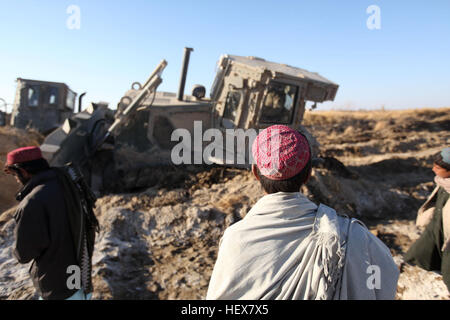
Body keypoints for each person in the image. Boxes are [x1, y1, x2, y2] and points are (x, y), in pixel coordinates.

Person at [206, 125, 399, 300]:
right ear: (307, 175)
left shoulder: (235, 239)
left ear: (255, 173)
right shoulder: (354, 237)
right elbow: (385, 279)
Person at [4, 146, 95, 300]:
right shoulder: (69, 185)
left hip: (58, 289)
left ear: (24, 171)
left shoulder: (32, 202)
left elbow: (23, 254)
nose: (16, 179)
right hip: (80, 281)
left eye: (15, 174)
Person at [404, 147, 450, 291]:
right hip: (436, 229)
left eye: (438, 167)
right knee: (416, 256)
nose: (433, 169)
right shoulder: (444, 183)